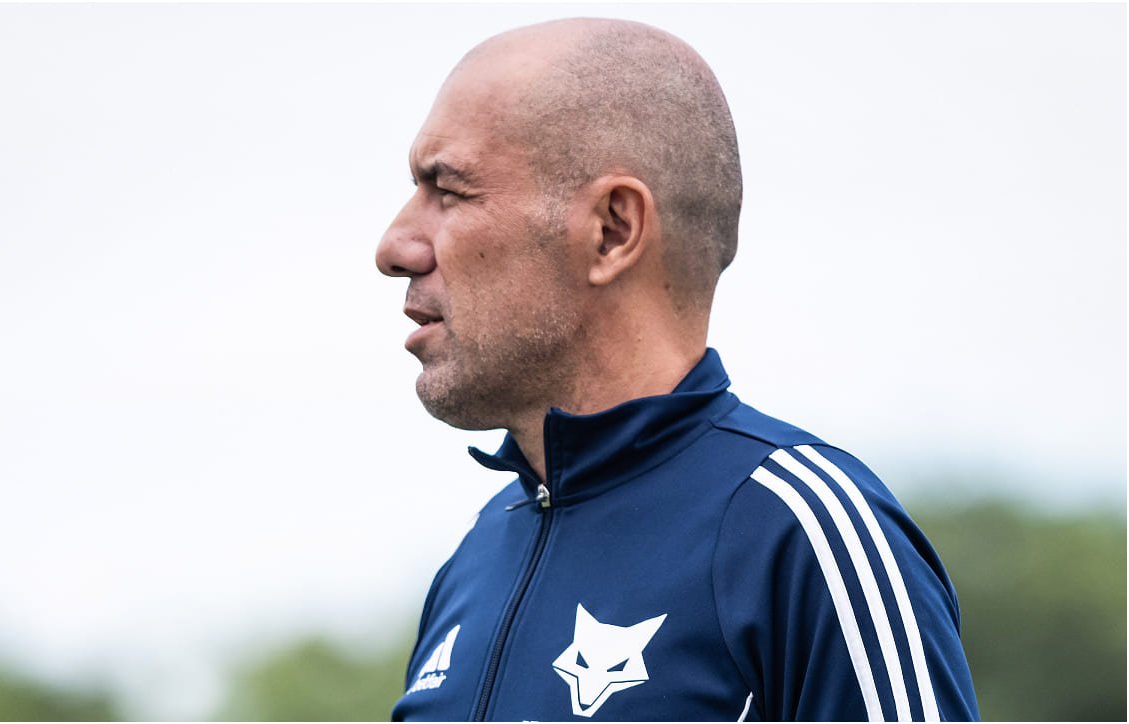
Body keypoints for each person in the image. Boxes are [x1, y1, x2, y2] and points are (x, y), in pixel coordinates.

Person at [374, 17, 979, 723]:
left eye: (448, 191)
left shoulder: (805, 538)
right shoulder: (475, 560)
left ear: (612, 230)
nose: (395, 247)